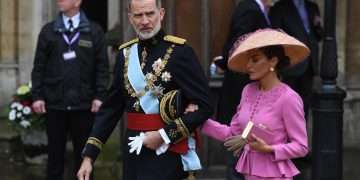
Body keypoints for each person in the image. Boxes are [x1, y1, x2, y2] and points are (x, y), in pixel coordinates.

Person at [77, 0, 213, 180]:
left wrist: (165, 135)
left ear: (161, 14)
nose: (145, 21)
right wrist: (89, 156)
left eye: (150, 14)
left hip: (167, 151)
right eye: (138, 15)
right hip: (134, 151)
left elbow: (206, 106)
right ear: (130, 18)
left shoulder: (180, 53)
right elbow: (110, 109)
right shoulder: (125, 55)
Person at [201, 28, 309, 180]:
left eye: (255, 59)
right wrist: (199, 120)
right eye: (248, 60)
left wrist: (269, 148)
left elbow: (301, 147)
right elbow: (234, 133)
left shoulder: (289, 98)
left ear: (273, 61)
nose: (248, 65)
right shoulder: (248, 91)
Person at [31, 0, 109, 179]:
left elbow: (102, 68)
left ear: (77, 2)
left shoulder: (93, 31)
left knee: (85, 158)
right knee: (55, 157)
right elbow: (39, 67)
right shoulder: (48, 31)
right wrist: (37, 96)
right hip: (55, 105)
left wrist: (99, 96)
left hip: (84, 106)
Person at [215, 0, 272, 179]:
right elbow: (239, 45)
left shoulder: (257, 10)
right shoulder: (249, 9)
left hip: (251, 93)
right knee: (239, 152)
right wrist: (224, 62)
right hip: (241, 92)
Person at [269, 0, 323, 120]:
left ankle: (300, 136)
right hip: (290, 65)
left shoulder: (312, 6)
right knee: (287, 106)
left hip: (309, 64)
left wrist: (318, 25)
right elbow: (275, 35)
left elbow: (318, 36)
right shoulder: (280, 7)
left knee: (304, 106)